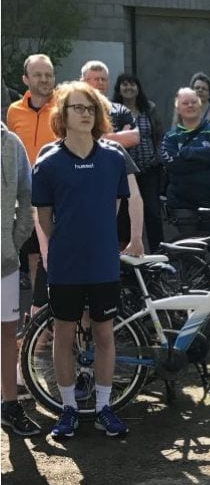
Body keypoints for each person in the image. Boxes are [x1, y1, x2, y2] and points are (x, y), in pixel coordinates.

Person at [31, 82, 134, 439]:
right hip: (66, 265)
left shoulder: (113, 158)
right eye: (77, 107)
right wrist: (67, 243)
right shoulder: (48, 162)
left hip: (103, 263)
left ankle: (104, 407)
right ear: (62, 113)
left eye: (91, 108)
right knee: (63, 334)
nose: (86, 113)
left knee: (104, 333)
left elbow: (114, 208)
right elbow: (45, 219)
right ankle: (68, 410)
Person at [6, 54, 57, 303]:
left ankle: (59, 311)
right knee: (34, 256)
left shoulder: (64, 107)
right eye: (38, 75)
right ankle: (41, 313)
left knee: (56, 253)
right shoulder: (13, 111)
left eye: (48, 74)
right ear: (25, 79)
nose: (44, 79)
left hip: (57, 193)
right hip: (26, 195)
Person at [1, 122, 41, 437]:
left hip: (5, 260)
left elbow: (28, 196)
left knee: (6, 332)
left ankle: (9, 405)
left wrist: (13, 243)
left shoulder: (11, 143)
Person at [81, 61, 145, 252]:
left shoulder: (120, 111)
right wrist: (117, 135)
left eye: (103, 79)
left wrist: (136, 239)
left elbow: (133, 137)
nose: (100, 83)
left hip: (116, 180)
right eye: (94, 79)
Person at [160, 87, 210, 236]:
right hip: (183, 204)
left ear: (200, 105)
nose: (190, 105)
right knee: (191, 247)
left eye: (193, 102)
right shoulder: (170, 137)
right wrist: (206, 159)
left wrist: (186, 152)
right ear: (178, 108)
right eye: (185, 103)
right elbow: (173, 164)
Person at [112, 72, 165, 251]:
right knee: (124, 216)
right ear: (119, 88)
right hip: (125, 171)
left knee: (153, 213)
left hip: (149, 169)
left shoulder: (149, 109)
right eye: (124, 84)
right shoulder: (113, 110)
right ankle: (127, 256)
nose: (129, 88)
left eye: (132, 84)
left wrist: (157, 158)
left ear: (138, 88)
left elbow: (159, 135)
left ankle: (159, 252)